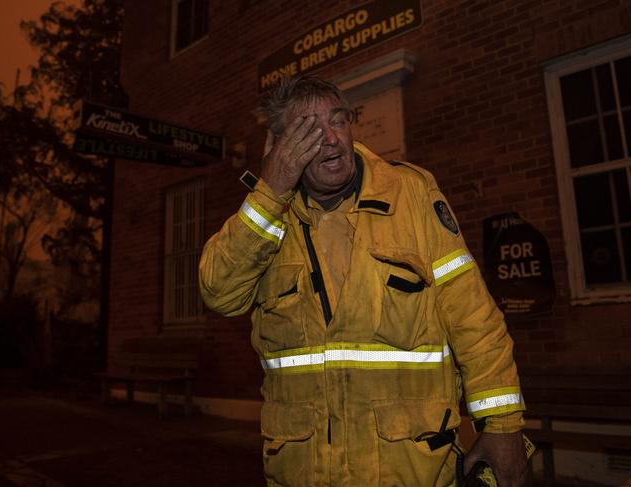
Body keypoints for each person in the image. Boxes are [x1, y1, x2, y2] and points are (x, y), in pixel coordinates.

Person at [199, 76, 528, 486]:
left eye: (338, 120)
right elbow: (218, 292)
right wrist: (270, 191)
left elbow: (473, 315)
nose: (331, 138)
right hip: (305, 472)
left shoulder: (411, 193)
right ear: (279, 145)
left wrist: (502, 424)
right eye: (309, 129)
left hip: (412, 469)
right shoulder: (266, 220)